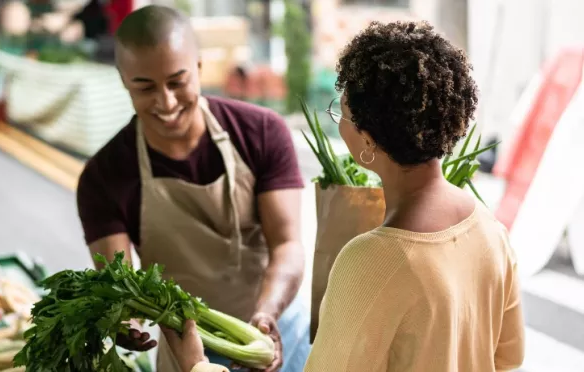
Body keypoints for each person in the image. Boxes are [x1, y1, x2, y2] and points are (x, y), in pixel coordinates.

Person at [162, 21, 526, 372]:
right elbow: (507, 359)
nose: (338, 120)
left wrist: (197, 365)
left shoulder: (371, 261)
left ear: (368, 143)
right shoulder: (490, 230)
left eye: (343, 111)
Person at [75, 5, 311, 372]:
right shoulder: (103, 176)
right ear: (123, 80)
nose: (166, 102)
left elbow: (287, 244)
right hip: (187, 353)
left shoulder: (262, 132)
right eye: (145, 87)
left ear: (199, 68)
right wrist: (128, 325)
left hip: (274, 332)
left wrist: (266, 314)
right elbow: (118, 284)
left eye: (177, 82)